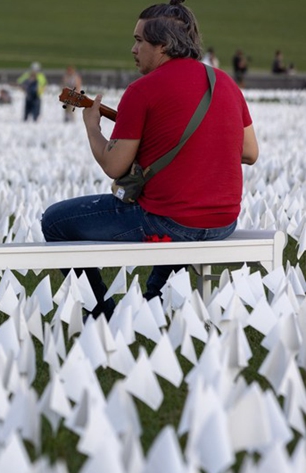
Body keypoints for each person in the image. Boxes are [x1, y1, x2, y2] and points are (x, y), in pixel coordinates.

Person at [40, 0, 258, 319]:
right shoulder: (224, 83)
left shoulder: (143, 90)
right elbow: (250, 153)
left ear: (164, 45)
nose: (133, 49)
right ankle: (153, 299)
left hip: (170, 222)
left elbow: (114, 166)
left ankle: (102, 311)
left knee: (55, 222)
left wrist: (92, 128)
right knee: (173, 206)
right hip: (223, 221)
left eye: (140, 40)